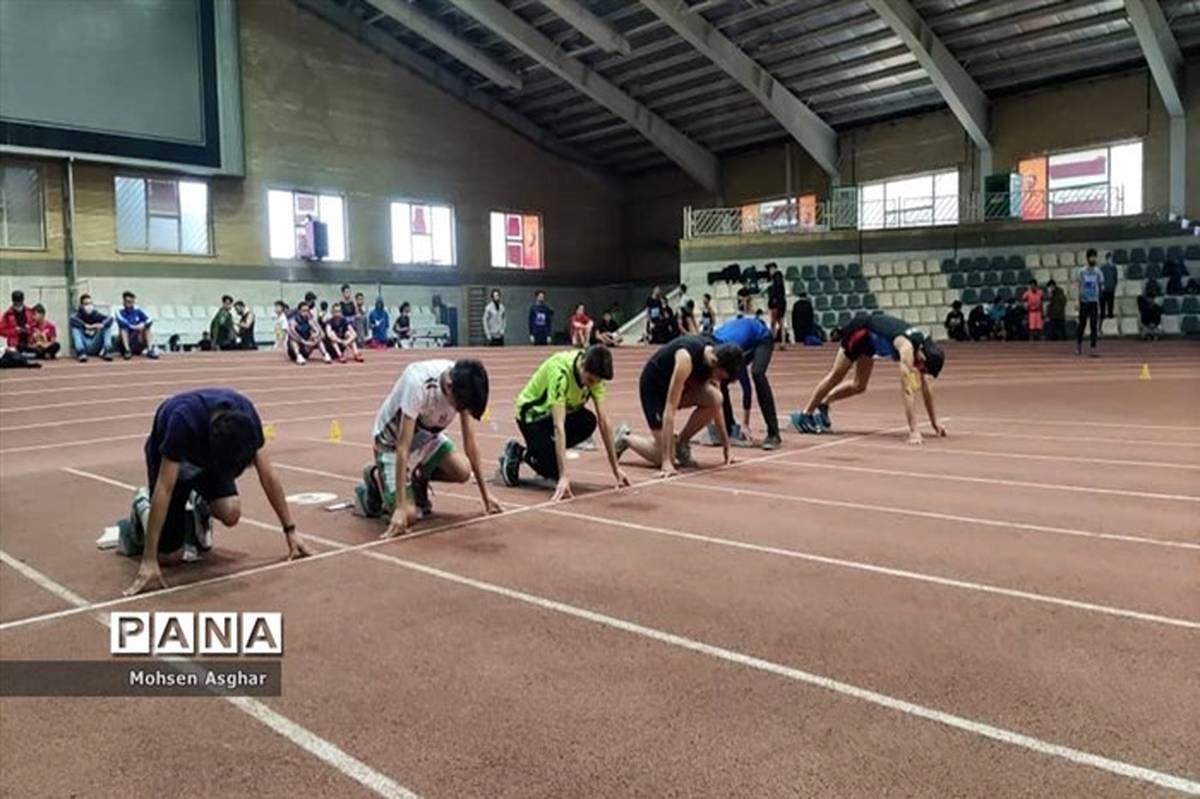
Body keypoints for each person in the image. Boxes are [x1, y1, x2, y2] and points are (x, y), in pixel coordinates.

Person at [119, 388, 310, 596]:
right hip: (171, 463)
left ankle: (199, 505)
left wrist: (290, 531)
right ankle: (141, 505)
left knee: (231, 512)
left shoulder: (246, 419)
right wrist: (149, 559)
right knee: (170, 558)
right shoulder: (182, 421)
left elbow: (269, 476)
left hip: (207, 463)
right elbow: (165, 488)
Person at [355, 359, 502, 537]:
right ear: (448, 386)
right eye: (458, 406)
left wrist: (485, 496)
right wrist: (400, 508)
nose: (457, 410)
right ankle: (375, 477)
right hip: (392, 443)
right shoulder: (418, 383)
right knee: (409, 515)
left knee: (463, 470)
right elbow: (403, 446)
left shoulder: (464, 384)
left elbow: (470, 444)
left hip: (426, 438)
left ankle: (416, 476)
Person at [790, 313, 946, 446]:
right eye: (922, 368)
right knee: (836, 375)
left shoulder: (921, 351)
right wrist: (914, 430)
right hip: (859, 332)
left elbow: (926, 389)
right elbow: (907, 390)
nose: (919, 370)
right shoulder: (907, 349)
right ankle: (806, 414)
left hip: (871, 342)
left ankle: (824, 403)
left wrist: (934, 422)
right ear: (923, 357)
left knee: (859, 385)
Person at [500, 345, 630, 499]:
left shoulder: (595, 376)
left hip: (560, 414)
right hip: (533, 416)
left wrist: (616, 469)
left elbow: (604, 421)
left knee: (589, 421)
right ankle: (521, 452)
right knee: (553, 470)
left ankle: (544, 451)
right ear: (582, 364)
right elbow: (558, 426)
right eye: (589, 380)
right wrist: (563, 475)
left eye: (596, 382)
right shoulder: (560, 374)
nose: (592, 386)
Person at [613, 336, 744, 477]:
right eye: (721, 376)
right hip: (655, 391)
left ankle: (681, 443)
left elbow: (717, 409)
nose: (720, 380)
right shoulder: (685, 359)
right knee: (663, 455)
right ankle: (626, 438)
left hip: (681, 388)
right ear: (715, 362)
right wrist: (666, 462)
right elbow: (670, 409)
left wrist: (727, 448)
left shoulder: (715, 358)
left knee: (716, 398)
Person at [709, 314, 782, 450]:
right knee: (721, 379)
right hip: (746, 338)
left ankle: (774, 433)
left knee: (757, 373)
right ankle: (729, 428)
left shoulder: (732, 350)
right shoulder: (713, 344)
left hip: (763, 339)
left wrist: (745, 424)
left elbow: (746, 387)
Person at [69, 293, 114, 362]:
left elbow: (110, 319)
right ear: (81, 306)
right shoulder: (78, 315)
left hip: (95, 343)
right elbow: (72, 319)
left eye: (90, 303)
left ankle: (107, 350)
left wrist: (102, 324)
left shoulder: (95, 314)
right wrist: (86, 326)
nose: (89, 306)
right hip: (84, 344)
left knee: (107, 326)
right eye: (86, 304)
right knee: (75, 328)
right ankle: (81, 353)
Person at [115, 291, 159, 359]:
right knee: (123, 328)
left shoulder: (138, 311)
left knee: (147, 327)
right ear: (123, 302)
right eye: (127, 301)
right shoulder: (119, 312)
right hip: (124, 343)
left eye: (131, 301)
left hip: (137, 342)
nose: (129, 303)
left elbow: (150, 319)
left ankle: (150, 350)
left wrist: (143, 325)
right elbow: (122, 322)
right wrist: (135, 327)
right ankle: (127, 351)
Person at [1077, 248, 1103, 356]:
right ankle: (1078, 345)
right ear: (1088, 258)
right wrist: (1077, 300)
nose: (1093, 259)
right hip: (1084, 301)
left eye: (1094, 257)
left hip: (1093, 302)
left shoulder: (1098, 272)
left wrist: (1099, 299)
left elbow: (1101, 285)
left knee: (1093, 325)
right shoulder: (1082, 271)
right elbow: (1078, 286)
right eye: (1091, 257)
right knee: (1082, 325)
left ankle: (1093, 348)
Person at [767, 268, 787, 348]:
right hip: (782, 304)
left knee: (773, 323)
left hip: (775, 305)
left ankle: (772, 342)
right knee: (781, 323)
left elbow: (772, 297)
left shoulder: (774, 286)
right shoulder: (782, 286)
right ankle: (783, 342)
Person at [1100, 252, 1118, 328]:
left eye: (1111, 259)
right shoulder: (1102, 268)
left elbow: (1115, 279)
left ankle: (1110, 315)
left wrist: (1113, 286)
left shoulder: (1114, 268)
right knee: (1103, 305)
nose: (1110, 260)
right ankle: (1103, 316)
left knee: (1111, 304)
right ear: (1106, 259)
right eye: (1109, 258)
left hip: (1111, 289)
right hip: (1104, 289)